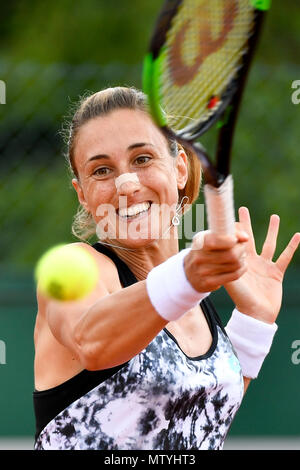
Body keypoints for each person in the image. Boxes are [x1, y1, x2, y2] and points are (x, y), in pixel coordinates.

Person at [33, 86, 299, 450]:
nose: (126, 184)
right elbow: (91, 342)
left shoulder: (189, 296)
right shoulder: (72, 267)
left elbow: (202, 422)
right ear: (83, 194)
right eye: (102, 170)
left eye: (142, 159)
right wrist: (187, 277)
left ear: (178, 168)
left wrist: (255, 320)